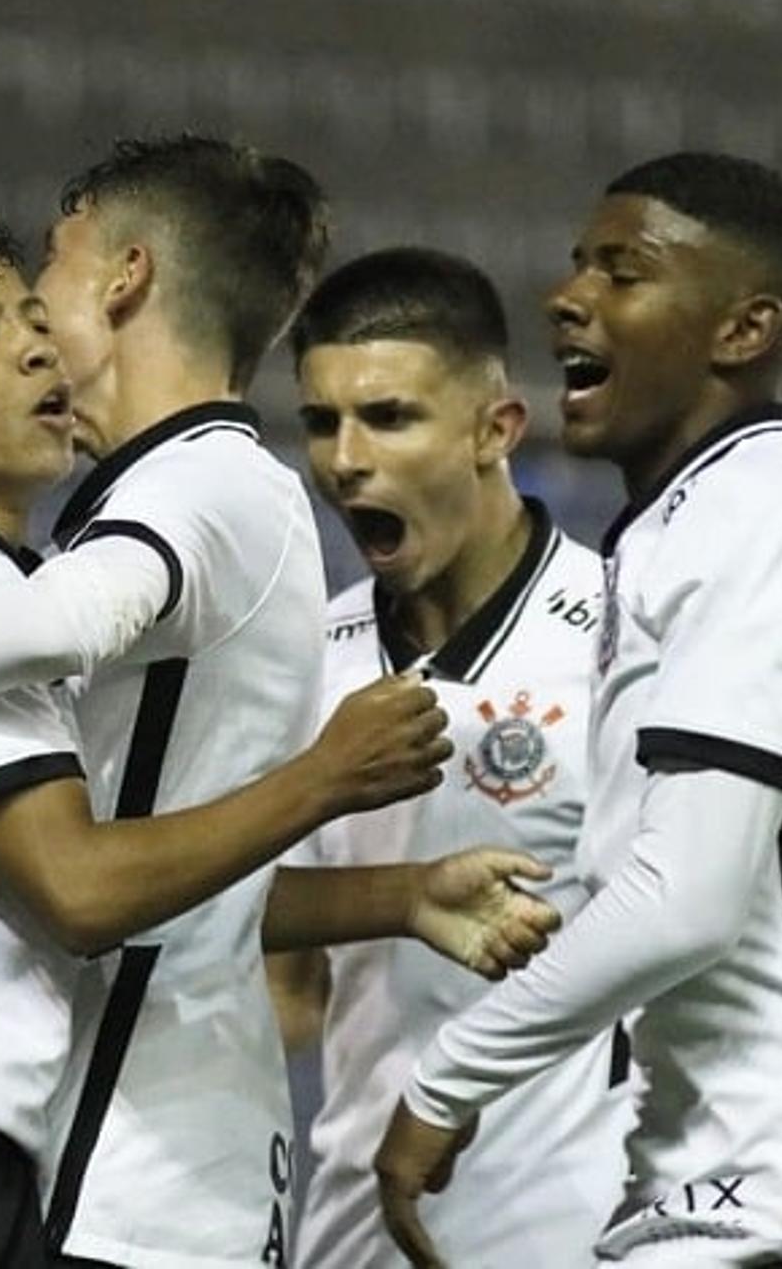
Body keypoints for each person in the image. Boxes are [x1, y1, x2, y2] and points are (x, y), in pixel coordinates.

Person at [0, 135, 558, 1269]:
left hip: (146, 1167)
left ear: (120, 278)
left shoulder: (186, 495)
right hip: (71, 1155)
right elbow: (119, 871)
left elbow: (88, 827)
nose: (32, 330)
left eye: (42, 285)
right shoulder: (7, 556)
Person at [372, 151, 782, 1267]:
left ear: (743, 330)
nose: (568, 295)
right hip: (733, 1183)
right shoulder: (678, 530)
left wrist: (451, 1074)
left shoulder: (766, 507)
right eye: (577, 262)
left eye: (623, 271)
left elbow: (686, 895)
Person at [266, 247, 631, 1268]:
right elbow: (287, 989)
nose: (344, 459)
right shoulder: (300, 667)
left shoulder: (623, 640)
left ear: (496, 428)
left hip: (583, 1223)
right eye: (320, 421)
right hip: (356, 1221)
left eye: (388, 417)